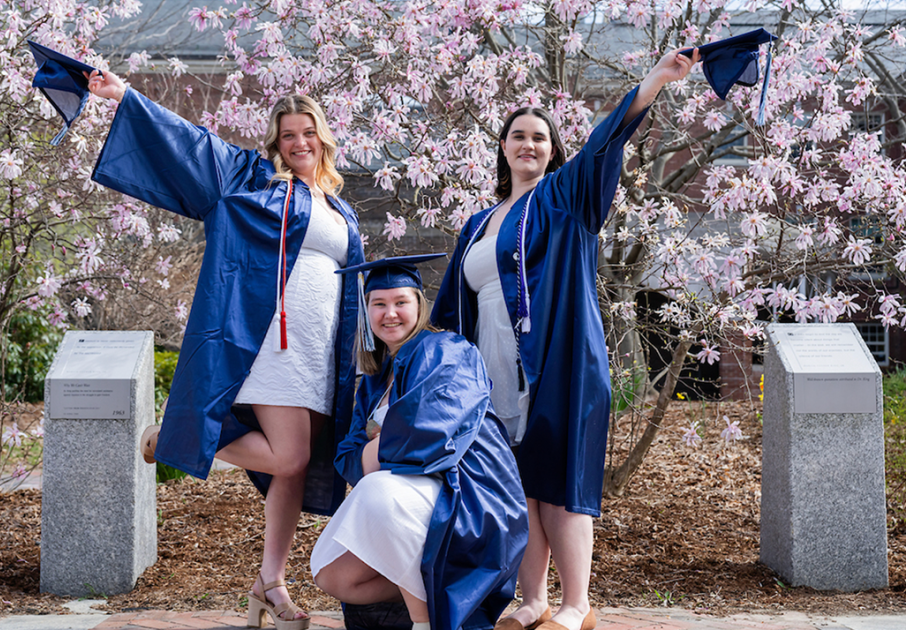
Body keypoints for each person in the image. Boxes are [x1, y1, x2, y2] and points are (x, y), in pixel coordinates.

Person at [85, 70, 365, 630]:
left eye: (307, 132)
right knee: (289, 457)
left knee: (293, 469)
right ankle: (177, 440)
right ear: (275, 144)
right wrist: (126, 96)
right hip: (271, 342)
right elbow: (196, 145)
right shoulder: (258, 181)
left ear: (324, 137)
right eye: (288, 135)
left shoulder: (339, 206)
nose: (299, 143)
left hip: (319, 349)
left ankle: (270, 584)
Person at [431, 49, 701, 630]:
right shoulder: (478, 223)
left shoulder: (565, 198)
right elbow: (456, 308)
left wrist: (653, 81)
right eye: (517, 136)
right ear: (502, 148)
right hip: (493, 368)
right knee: (518, 484)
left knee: (562, 482)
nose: (527, 145)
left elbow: (606, 143)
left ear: (553, 151)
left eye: (539, 137)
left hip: (559, 361)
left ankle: (576, 603)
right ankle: (533, 600)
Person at [311, 255, 528, 630]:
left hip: (469, 498)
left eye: (400, 302)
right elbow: (346, 459)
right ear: (366, 312)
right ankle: (441, 590)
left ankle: (424, 621)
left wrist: (377, 443)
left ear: (419, 305)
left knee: (378, 489)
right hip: (414, 502)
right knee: (332, 575)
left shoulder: (445, 350)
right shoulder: (374, 384)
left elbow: (427, 433)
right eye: (378, 304)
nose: (389, 313)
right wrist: (381, 442)